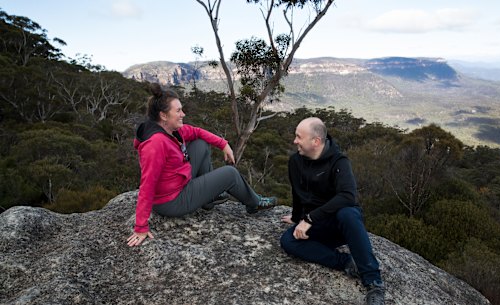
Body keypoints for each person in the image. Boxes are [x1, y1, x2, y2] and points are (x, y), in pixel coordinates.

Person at [127, 83, 277, 247]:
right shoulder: (155, 144)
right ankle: (254, 204)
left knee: (199, 143)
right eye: (178, 111)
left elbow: (197, 132)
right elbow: (147, 185)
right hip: (171, 201)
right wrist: (141, 226)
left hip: (179, 182)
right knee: (230, 174)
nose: (183, 114)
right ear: (163, 115)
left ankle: (209, 198)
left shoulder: (170, 129)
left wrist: (223, 144)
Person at [279, 117, 385, 305]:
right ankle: (347, 262)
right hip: (318, 225)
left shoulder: (339, 162)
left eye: (298, 137)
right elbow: (297, 192)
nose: (295, 141)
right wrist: (297, 218)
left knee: (349, 213)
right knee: (288, 240)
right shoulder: (295, 161)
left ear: (316, 141)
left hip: (339, 224)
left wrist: (309, 218)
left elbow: (348, 196)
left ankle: (374, 283)